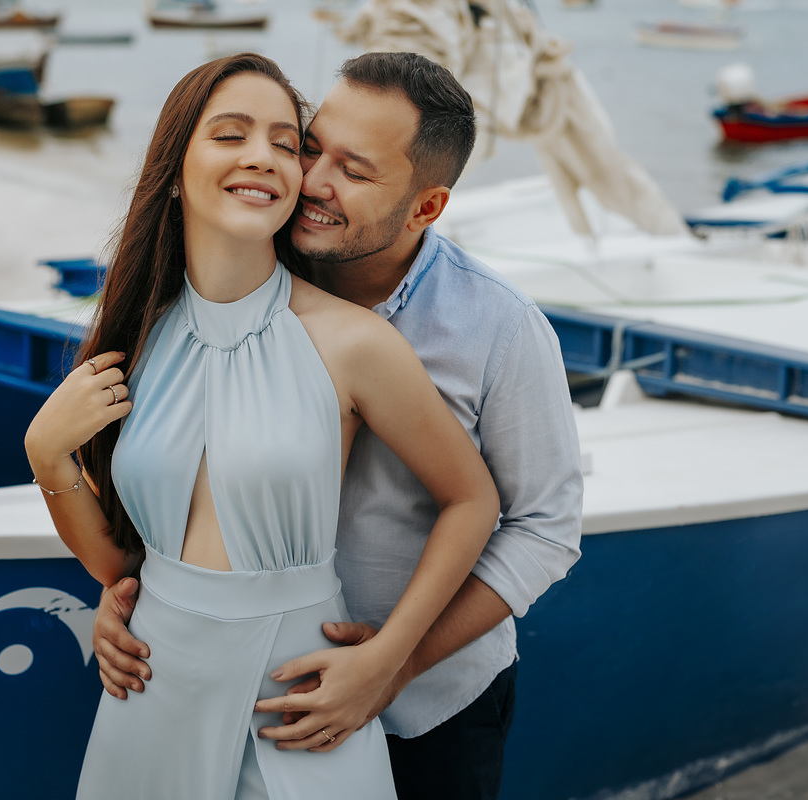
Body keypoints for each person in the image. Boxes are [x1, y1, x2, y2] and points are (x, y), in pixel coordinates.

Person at [92, 51, 584, 800]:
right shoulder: (245, 275)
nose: (314, 183)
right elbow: (181, 457)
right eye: (311, 146)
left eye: (355, 172)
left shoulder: (500, 328)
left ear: (425, 208)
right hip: (245, 691)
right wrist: (138, 588)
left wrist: (395, 661)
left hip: (430, 710)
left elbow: (544, 529)